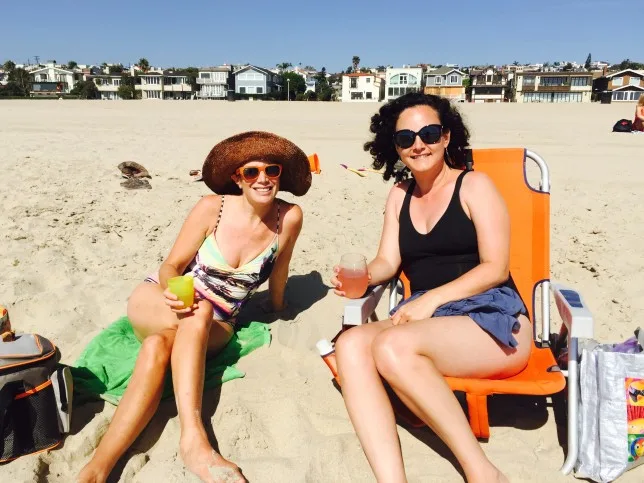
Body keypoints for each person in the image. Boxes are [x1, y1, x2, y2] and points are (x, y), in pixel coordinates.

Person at [78, 131, 310, 483]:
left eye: (271, 170)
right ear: (237, 178)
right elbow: (171, 266)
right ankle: (193, 438)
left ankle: (97, 467)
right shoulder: (212, 207)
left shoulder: (289, 216)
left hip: (219, 321)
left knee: (158, 346)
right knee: (196, 311)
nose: (262, 179)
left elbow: (281, 269)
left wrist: (278, 305)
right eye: (251, 172)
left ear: (280, 175)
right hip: (162, 300)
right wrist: (174, 291)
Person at [331, 93, 532, 483]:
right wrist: (364, 276)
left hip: (494, 320)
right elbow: (388, 261)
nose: (418, 144)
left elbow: (496, 268)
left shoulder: (474, 186)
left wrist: (434, 299)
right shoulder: (400, 195)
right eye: (405, 138)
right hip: (429, 318)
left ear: (446, 137)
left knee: (392, 345)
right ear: (395, 147)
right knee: (350, 344)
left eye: (429, 133)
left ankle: (482, 472)